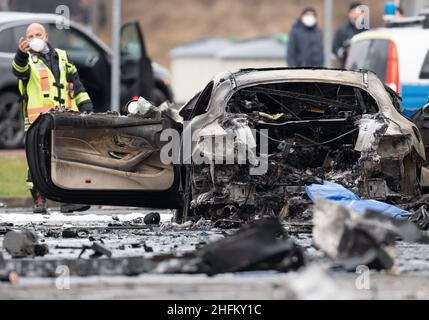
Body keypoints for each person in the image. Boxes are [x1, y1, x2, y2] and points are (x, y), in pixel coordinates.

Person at [12, 23, 92, 214]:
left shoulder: (63, 57)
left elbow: (76, 85)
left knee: (63, 159)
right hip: (37, 121)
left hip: (63, 119)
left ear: (46, 37)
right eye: (30, 36)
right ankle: (39, 199)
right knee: (38, 160)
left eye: (38, 34)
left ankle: (68, 201)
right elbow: (18, 70)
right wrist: (21, 54)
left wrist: (86, 107)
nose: (34, 39)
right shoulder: (27, 60)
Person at [332, 2, 365, 68]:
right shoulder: (342, 30)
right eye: (355, 12)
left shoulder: (367, 29)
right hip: (347, 67)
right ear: (350, 14)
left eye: (360, 12)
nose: (358, 15)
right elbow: (335, 48)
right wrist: (343, 53)